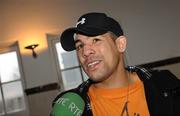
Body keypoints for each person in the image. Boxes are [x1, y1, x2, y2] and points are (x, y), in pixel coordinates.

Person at [51, 12, 180, 116]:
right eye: (79, 46)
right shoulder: (71, 106)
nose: (85, 51)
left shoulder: (165, 85)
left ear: (120, 44)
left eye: (96, 40)